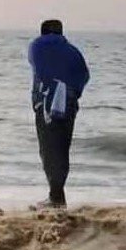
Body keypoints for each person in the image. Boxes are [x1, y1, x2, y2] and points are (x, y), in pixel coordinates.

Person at [27, 19, 89, 209]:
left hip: (47, 100)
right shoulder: (73, 51)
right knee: (62, 148)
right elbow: (84, 75)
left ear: (42, 31)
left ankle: (56, 198)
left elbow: (37, 66)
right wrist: (73, 92)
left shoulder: (37, 45)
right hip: (68, 103)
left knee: (48, 148)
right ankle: (57, 195)